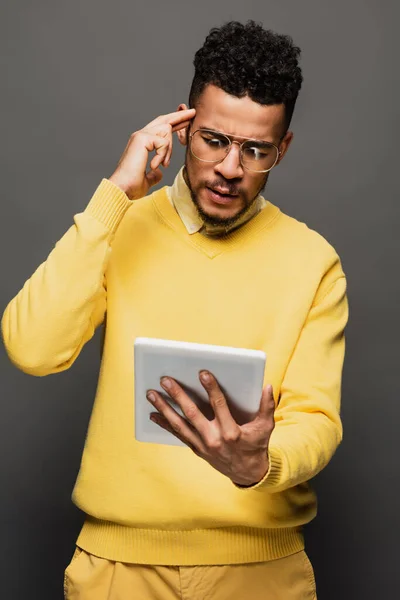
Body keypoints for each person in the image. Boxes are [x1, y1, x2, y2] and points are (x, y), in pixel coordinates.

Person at [1, 20, 348, 600]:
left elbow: (317, 418)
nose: (231, 168)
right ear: (183, 126)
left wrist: (261, 465)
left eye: (257, 150)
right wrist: (114, 193)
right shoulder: (120, 225)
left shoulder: (314, 261)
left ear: (283, 148)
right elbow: (32, 348)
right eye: (214, 140)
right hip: (116, 567)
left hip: (260, 572)